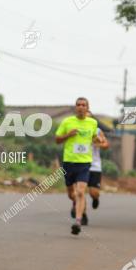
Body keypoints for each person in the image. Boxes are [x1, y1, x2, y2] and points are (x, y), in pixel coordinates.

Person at [55, 97, 99, 235]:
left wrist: (97, 140)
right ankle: (76, 204)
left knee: (80, 192)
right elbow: (57, 140)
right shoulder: (67, 122)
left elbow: (93, 138)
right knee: (71, 194)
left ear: (87, 108)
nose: (80, 107)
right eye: (78, 105)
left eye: (83, 105)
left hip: (84, 163)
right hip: (68, 162)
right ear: (75, 107)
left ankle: (78, 221)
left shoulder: (93, 123)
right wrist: (68, 134)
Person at [82, 126, 109, 225]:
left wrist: (98, 143)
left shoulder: (97, 130)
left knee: (93, 192)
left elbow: (106, 145)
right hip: (80, 164)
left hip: (94, 166)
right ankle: (82, 215)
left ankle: (95, 198)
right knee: (80, 191)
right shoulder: (75, 128)